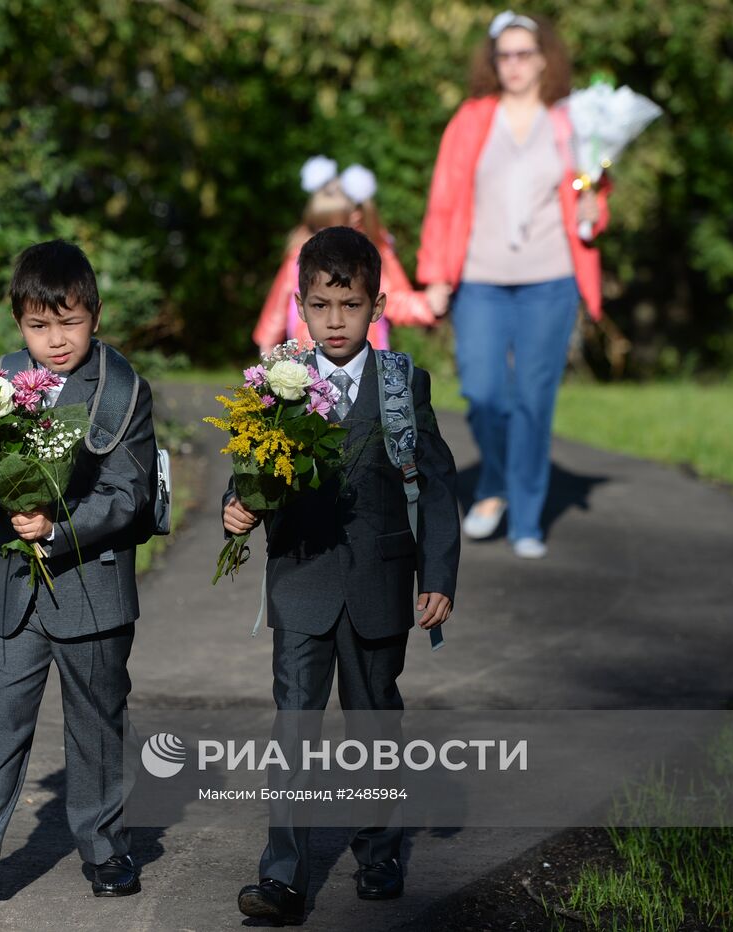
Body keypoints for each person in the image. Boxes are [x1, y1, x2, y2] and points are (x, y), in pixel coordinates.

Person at [224, 226, 460, 924]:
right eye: (321, 306)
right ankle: (283, 877)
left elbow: (438, 483)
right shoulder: (276, 381)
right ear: (300, 304)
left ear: (377, 306)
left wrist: (438, 573)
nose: (334, 321)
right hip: (301, 578)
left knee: (374, 723)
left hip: (381, 584)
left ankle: (379, 850)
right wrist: (239, 509)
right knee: (294, 721)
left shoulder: (400, 382)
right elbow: (252, 470)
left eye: (349, 306)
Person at [0, 240, 158, 910]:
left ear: (96, 316)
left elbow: (129, 493)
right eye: (38, 325)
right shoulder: (0, 378)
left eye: (69, 322)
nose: (55, 340)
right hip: (12, 590)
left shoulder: (123, 389)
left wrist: (57, 528)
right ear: (20, 322)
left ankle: (106, 844)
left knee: (95, 724)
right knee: (0, 720)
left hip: (91, 587)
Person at [416, 10, 611, 559]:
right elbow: (443, 202)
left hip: (550, 282)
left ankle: (526, 517)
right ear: (493, 62)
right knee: (481, 391)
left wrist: (595, 208)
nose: (516, 64)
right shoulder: (472, 120)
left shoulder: (572, 122)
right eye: (506, 55)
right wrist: (433, 276)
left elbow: (590, 206)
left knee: (532, 398)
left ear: (546, 57)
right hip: (479, 280)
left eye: (526, 53)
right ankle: (496, 481)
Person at [254, 156, 435, 355]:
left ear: (355, 219)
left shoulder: (368, 258)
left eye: (331, 228)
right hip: (309, 361)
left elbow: (394, 297)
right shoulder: (299, 257)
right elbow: (278, 302)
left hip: (364, 359)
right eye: (318, 228)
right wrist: (268, 342)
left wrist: (428, 306)